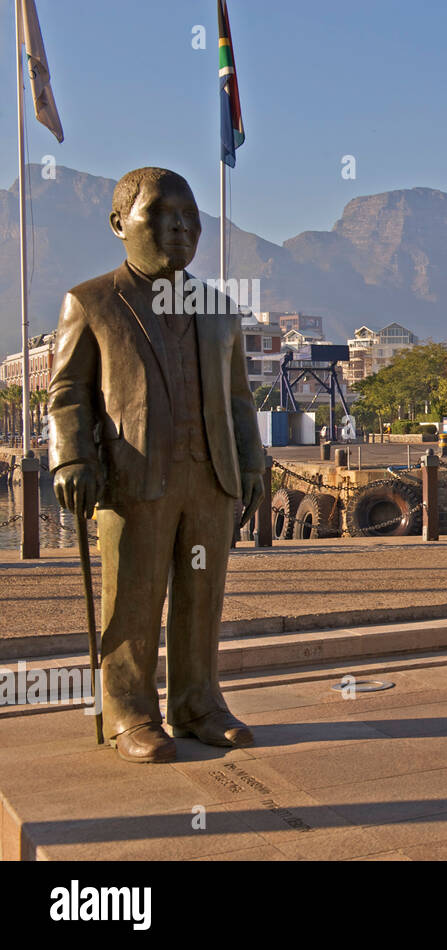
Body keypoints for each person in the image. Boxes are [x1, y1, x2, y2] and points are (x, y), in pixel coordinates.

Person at [48, 167, 265, 762]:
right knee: (135, 595)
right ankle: (128, 710)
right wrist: (72, 457)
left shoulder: (220, 309)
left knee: (204, 592)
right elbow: (67, 391)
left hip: (211, 476)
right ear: (120, 224)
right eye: (162, 214)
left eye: (191, 217)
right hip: (134, 477)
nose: (180, 227)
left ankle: (199, 701)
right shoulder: (92, 302)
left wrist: (252, 461)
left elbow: (240, 397)